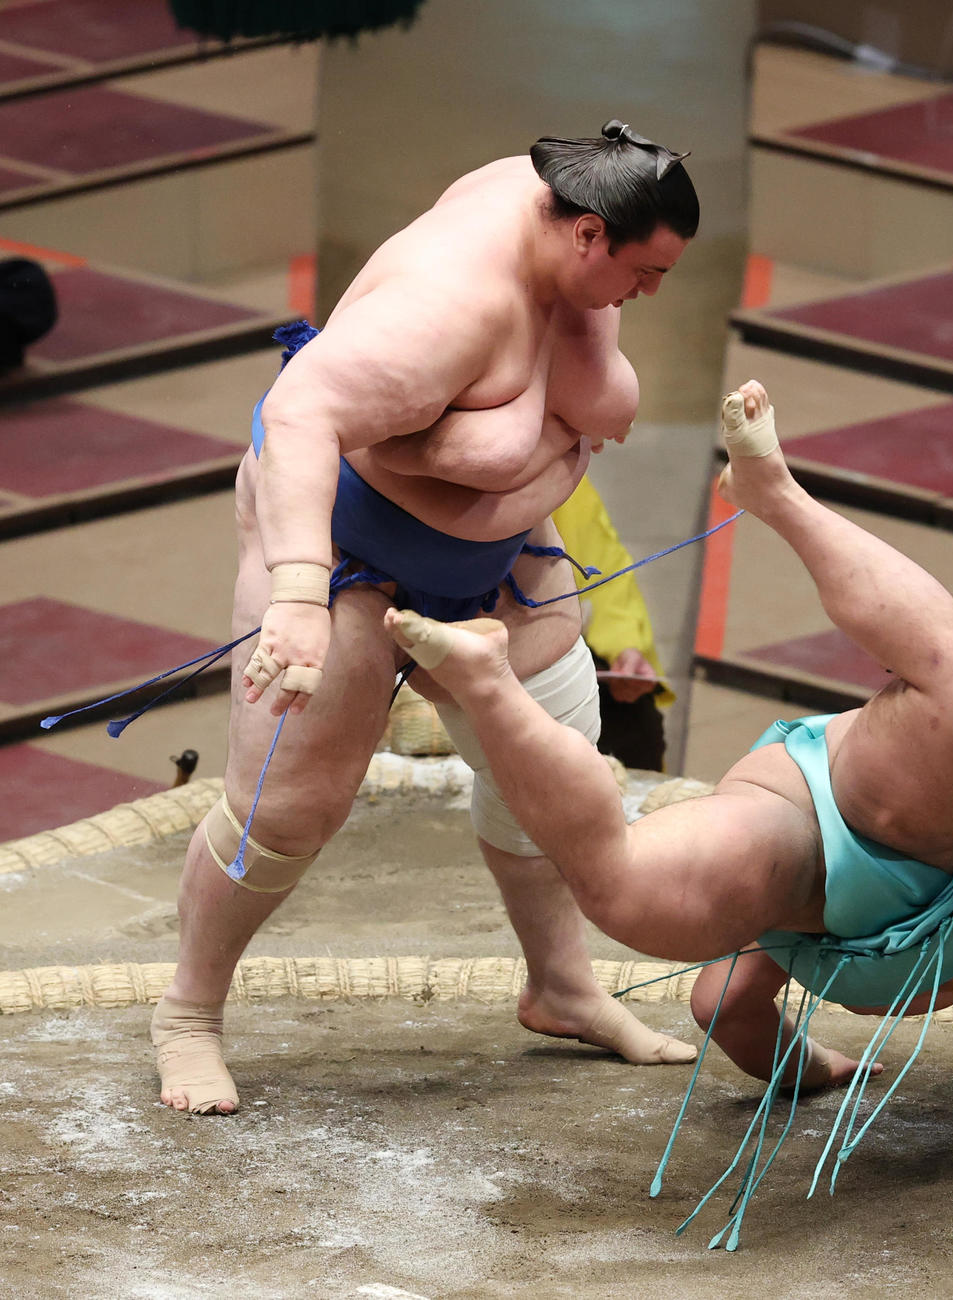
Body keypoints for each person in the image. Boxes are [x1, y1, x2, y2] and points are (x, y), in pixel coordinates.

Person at [383, 380, 953, 1222]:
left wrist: (810, 1069)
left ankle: (489, 686)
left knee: (628, 886)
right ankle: (764, 495)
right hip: (888, 836)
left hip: (817, 816)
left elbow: (721, 1007)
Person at [150, 120, 702, 1115]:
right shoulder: (444, 307)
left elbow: (559, 407)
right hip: (347, 554)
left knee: (553, 759)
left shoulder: (573, 218)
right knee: (286, 809)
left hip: (499, 564)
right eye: (643, 272)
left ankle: (561, 984)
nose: (647, 294)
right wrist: (296, 591)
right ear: (585, 234)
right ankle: (188, 1012)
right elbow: (299, 416)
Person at [551, 475, 674, 771]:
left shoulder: (559, 471)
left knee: (635, 724)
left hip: (562, 654)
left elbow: (604, 575)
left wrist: (625, 648)